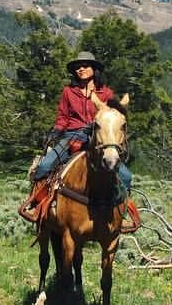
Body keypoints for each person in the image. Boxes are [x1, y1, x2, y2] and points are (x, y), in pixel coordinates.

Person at [18, 51, 140, 233]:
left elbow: (112, 116)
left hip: (99, 139)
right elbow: (63, 117)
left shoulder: (106, 93)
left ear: (94, 69)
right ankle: (37, 206)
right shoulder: (69, 92)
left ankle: (120, 214)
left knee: (126, 176)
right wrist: (56, 132)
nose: (80, 69)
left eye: (85, 65)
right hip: (72, 136)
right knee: (45, 166)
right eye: (77, 67)